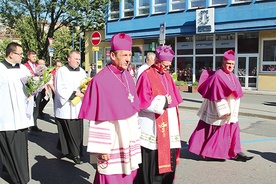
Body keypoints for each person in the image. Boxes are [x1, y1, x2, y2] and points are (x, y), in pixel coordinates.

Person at [78, 33, 141, 184]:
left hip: (128, 139)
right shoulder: (101, 80)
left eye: (130, 55)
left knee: (129, 175)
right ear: (113, 55)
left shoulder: (127, 76)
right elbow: (99, 117)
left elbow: (133, 110)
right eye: (124, 55)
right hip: (112, 142)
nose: (128, 59)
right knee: (111, 176)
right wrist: (102, 148)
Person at [188, 50, 254, 162]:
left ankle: (236, 152)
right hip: (221, 110)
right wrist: (224, 110)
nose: (231, 66)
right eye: (228, 64)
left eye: (232, 64)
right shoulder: (218, 75)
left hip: (232, 110)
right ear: (223, 63)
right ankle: (214, 153)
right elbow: (217, 96)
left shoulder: (232, 76)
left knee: (233, 131)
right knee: (219, 132)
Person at [134, 45, 183, 184]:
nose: (168, 68)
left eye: (169, 66)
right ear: (158, 61)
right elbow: (142, 102)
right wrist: (163, 101)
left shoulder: (167, 76)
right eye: (165, 65)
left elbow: (174, 101)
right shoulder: (146, 75)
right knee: (153, 167)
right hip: (152, 128)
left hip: (169, 127)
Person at [0, 42, 34, 183]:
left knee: (20, 150)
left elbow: (31, 87)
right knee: (7, 150)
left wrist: (35, 87)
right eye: (19, 54)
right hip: (5, 117)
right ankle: (14, 175)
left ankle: (22, 177)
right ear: (11, 54)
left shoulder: (23, 70)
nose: (22, 56)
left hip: (21, 117)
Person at [54, 50, 86, 164]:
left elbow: (85, 84)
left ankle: (70, 150)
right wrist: (74, 93)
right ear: (69, 59)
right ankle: (75, 154)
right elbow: (59, 88)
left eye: (79, 59)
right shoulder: (62, 71)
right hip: (66, 107)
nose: (78, 61)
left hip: (78, 106)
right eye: (76, 58)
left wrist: (84, 91)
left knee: (77, 131)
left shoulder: (82, 71)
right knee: (68, 131)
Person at [24, 50, 42, 131]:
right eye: (33, 56)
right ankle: (27, 123)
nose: (35, 58)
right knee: (29, 107)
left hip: (38, 89)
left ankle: (34, 124)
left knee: (36, 107)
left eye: (35, 56)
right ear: (28, 57)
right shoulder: (25, 66)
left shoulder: (37, 66)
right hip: (29, 90)